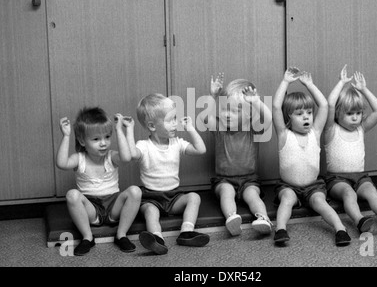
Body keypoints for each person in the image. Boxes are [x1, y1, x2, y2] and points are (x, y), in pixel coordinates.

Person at [272, 67, 351, 246]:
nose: (306, 117)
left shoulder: (315, 133)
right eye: (299, 114)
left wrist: (310, 85)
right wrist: (285, 82)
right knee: (287, 199)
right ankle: (280, 229)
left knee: (320, 201)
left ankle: (340, 229)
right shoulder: (284, 135)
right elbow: (276, 107)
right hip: (288, 185)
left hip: (312, 185)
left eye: (308, 113)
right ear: (289, 117)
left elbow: (324, 105)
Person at [124, 93, 210, 255]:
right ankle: (157, 239)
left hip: (173, 197)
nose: (175, 124)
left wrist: (190, 129)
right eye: (170, 120)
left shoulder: (177, 143)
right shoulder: (144, 145)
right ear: (152, 126)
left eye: (175, 119)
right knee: (150, 211)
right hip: (151, 197)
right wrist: (129, 130)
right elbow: (132, 155)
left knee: (194, 197)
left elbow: (200, 149)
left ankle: (186, 232)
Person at [56, 107, 142, 256]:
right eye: (96, 139)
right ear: (82, 141)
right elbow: (62, 164)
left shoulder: (111, 156)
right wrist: (66, 136)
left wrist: (119, 130)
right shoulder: (79, 158)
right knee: (72, 195)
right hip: (91, 210)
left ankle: (121, 235)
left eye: (107, 137)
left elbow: (126, 158)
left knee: (135, 191)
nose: (103, 143)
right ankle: (88, 238)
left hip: (113, 206)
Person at [324, 65, 377, 234]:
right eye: (350, 113)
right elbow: (329, 104)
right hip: (337, 180)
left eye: (358, 113)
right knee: (349, 194)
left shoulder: (361, 129)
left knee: (372, 192)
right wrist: (341, 83)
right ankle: (360, 220)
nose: (356, 117)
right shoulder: (331, 130)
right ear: (337, 113)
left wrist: (363, 89)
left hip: (360, 176)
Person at [205, 73, 274, 236]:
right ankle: (232, 217)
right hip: (224, 179)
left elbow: (268, 119)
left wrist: (256, 102)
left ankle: (263, 218)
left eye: (234, 111)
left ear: (249, 115)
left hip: (249, 179)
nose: (227, 115)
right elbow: (207, 118)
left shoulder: (252, 129)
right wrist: (212, 95)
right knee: (226, 193)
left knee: (253, 196)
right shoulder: (220, 130)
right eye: (224, 110)